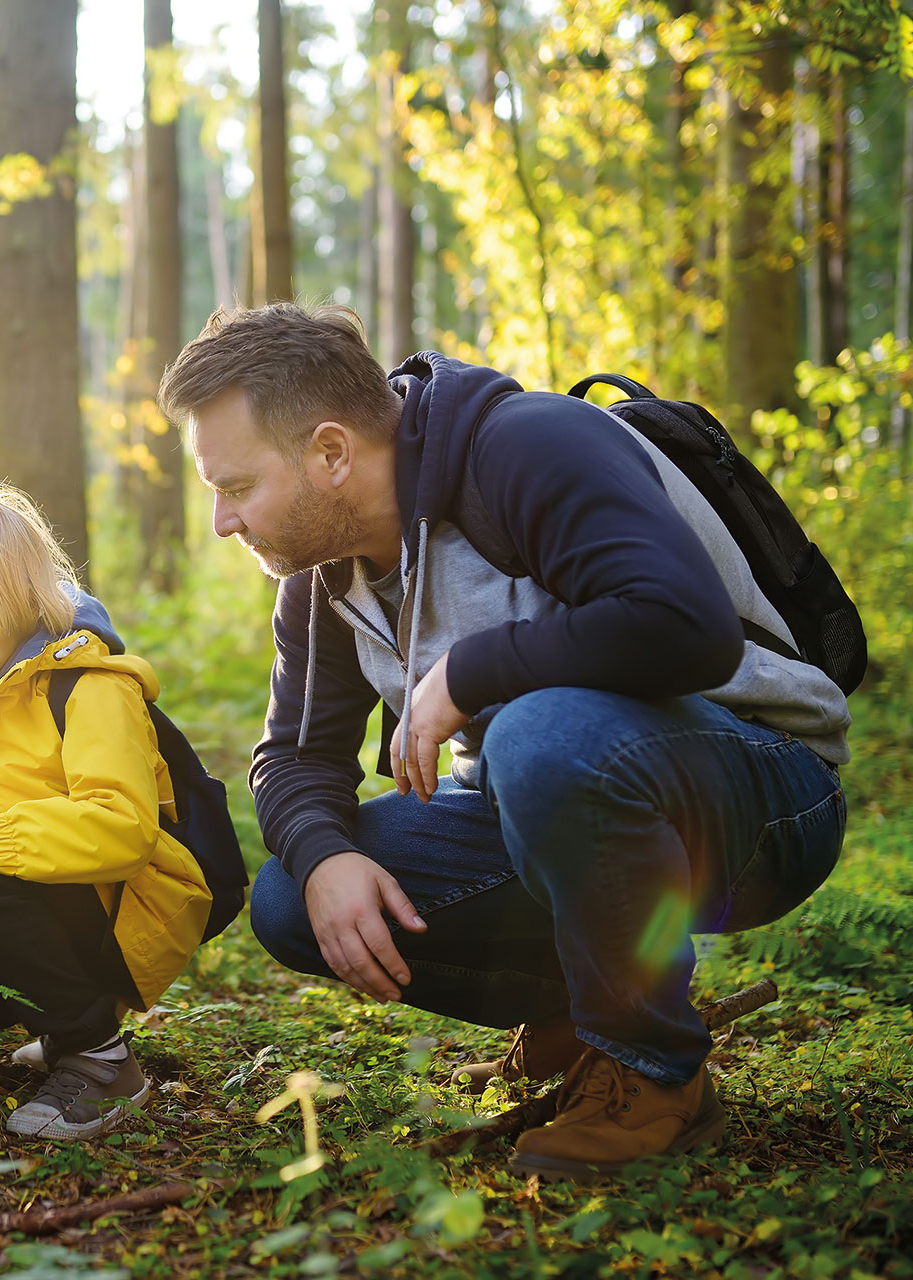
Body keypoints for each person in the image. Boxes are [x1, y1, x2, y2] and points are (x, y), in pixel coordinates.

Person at [157, 303, 849, 1180]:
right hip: (560, 803)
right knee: (293, 897)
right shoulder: (323, 579)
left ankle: (651, 1067)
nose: (223, 520)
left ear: (330, 452)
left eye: (236, 486)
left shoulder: (527, 447)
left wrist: (474, 672)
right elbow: (292, 758)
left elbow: (688, 627)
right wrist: (326, 854)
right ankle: (583, 1012)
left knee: (538, 733)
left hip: (764, 789)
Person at [0, 481, 211, 1140]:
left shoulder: (91, 690)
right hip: (58, 899)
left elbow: (122, 829)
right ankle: (67, 1028)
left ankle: (102, 1061)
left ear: (11, 606)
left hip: (128, 907)